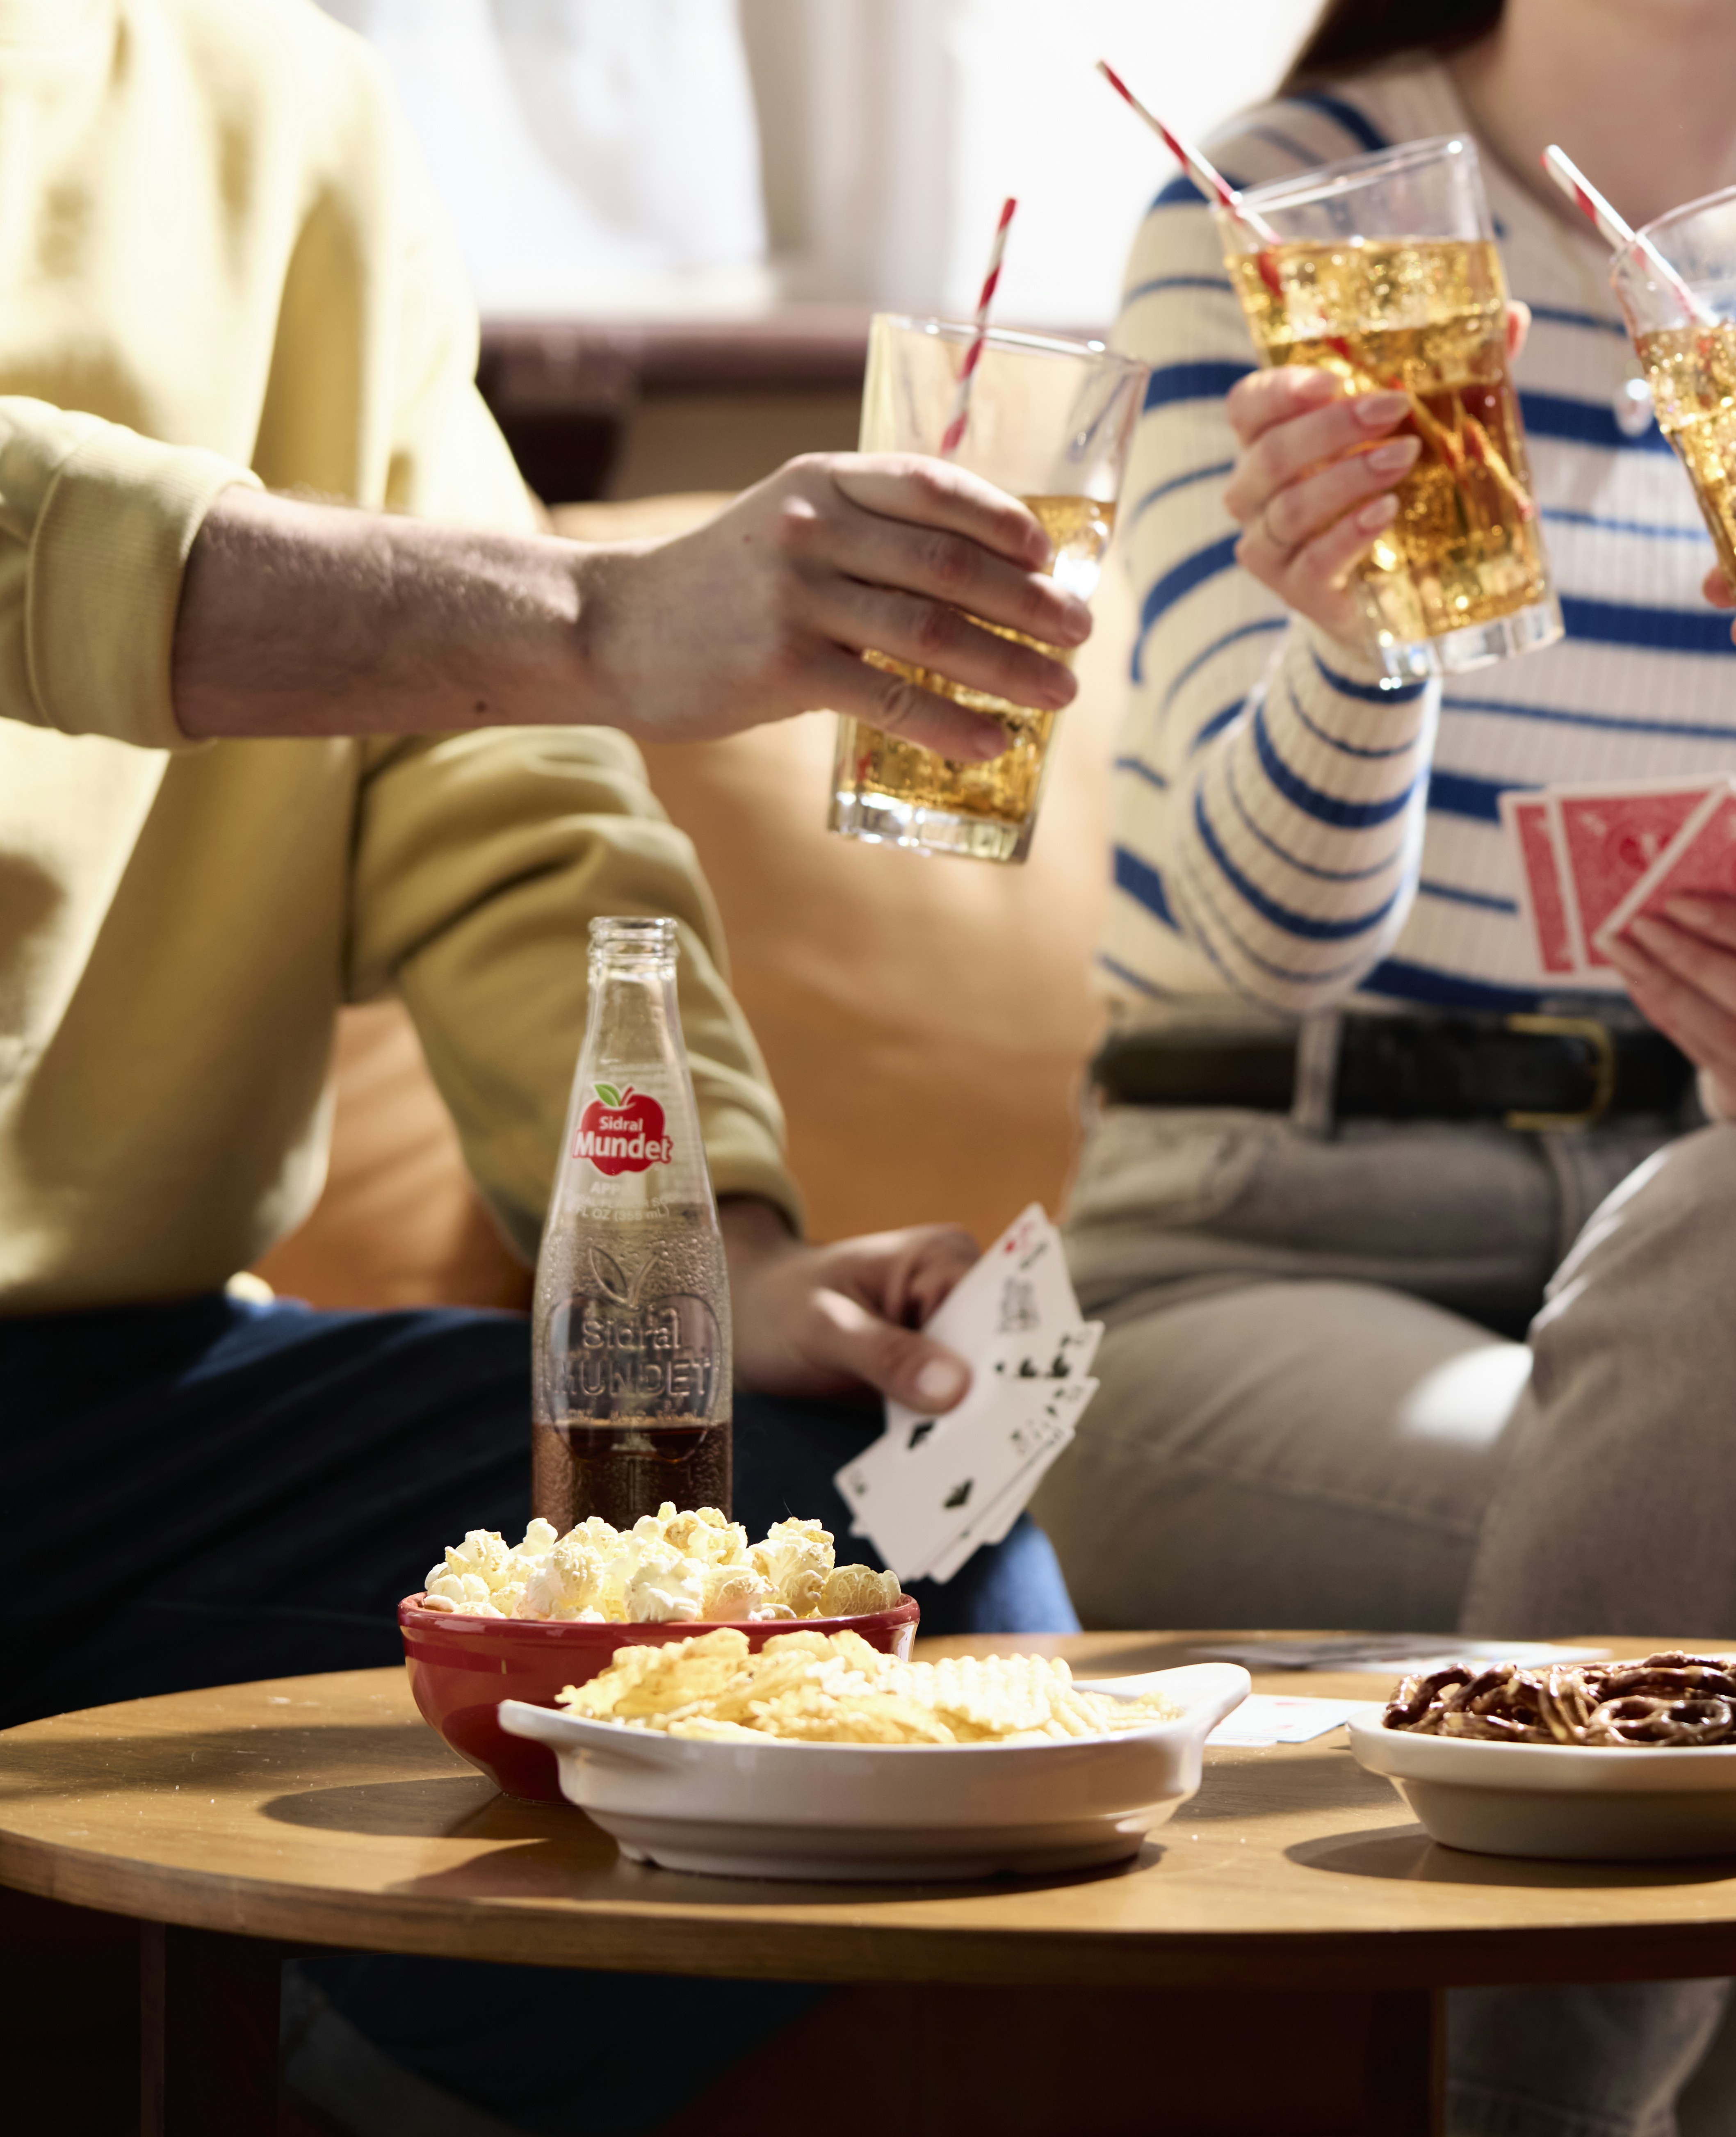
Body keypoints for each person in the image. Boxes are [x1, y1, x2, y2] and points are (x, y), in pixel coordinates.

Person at [3, 1, 1080, 2126]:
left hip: (113, 1405)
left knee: (891, 1560)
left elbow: (497, 794)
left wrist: (725, 1259)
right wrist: (584, 615)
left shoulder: (274, 99)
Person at [1041, 1, 1736, 2129]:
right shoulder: (1278, 224)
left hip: (1733, 1256)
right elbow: (1271, 932)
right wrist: (1357, 644)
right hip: (1244, 1250)